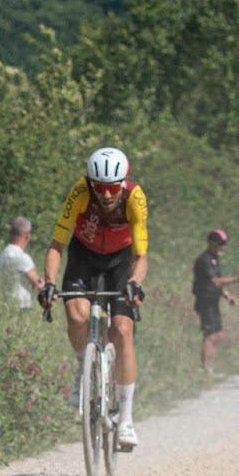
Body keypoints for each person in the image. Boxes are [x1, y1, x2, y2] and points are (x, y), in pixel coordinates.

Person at [39, 147, 148, 450]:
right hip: (84, 255)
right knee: (76, 314)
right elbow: (56, 245)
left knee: (123, 330)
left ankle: (125, 419)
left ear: (122, 183)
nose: (106, 194)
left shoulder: (134, 198)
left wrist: (135, 283)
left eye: (113, 187)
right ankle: (82, 368)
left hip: (120, 261)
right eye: (99, 187)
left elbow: (141, 256)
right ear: (90, 183)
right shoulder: (80, 191)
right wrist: (49, 283)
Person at [192, 228, 239, 374]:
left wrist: (227, 296)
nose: (223, 247)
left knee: (217, 335)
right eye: (220, 243)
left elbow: (219, 284)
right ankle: (206, 369)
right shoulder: (204, 260)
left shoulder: (214, 259)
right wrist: (238, 279)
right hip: (205, 301)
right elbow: (215, 281)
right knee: (210, 335)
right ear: (211, 243)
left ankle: (210, 367)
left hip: (213, 301)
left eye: (224, 244)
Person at [0, 216, 43, 310]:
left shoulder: (2, 255)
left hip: (6, 304)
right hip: (23, 305)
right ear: (27, 235)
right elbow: (38, 284)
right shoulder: (22, 257)